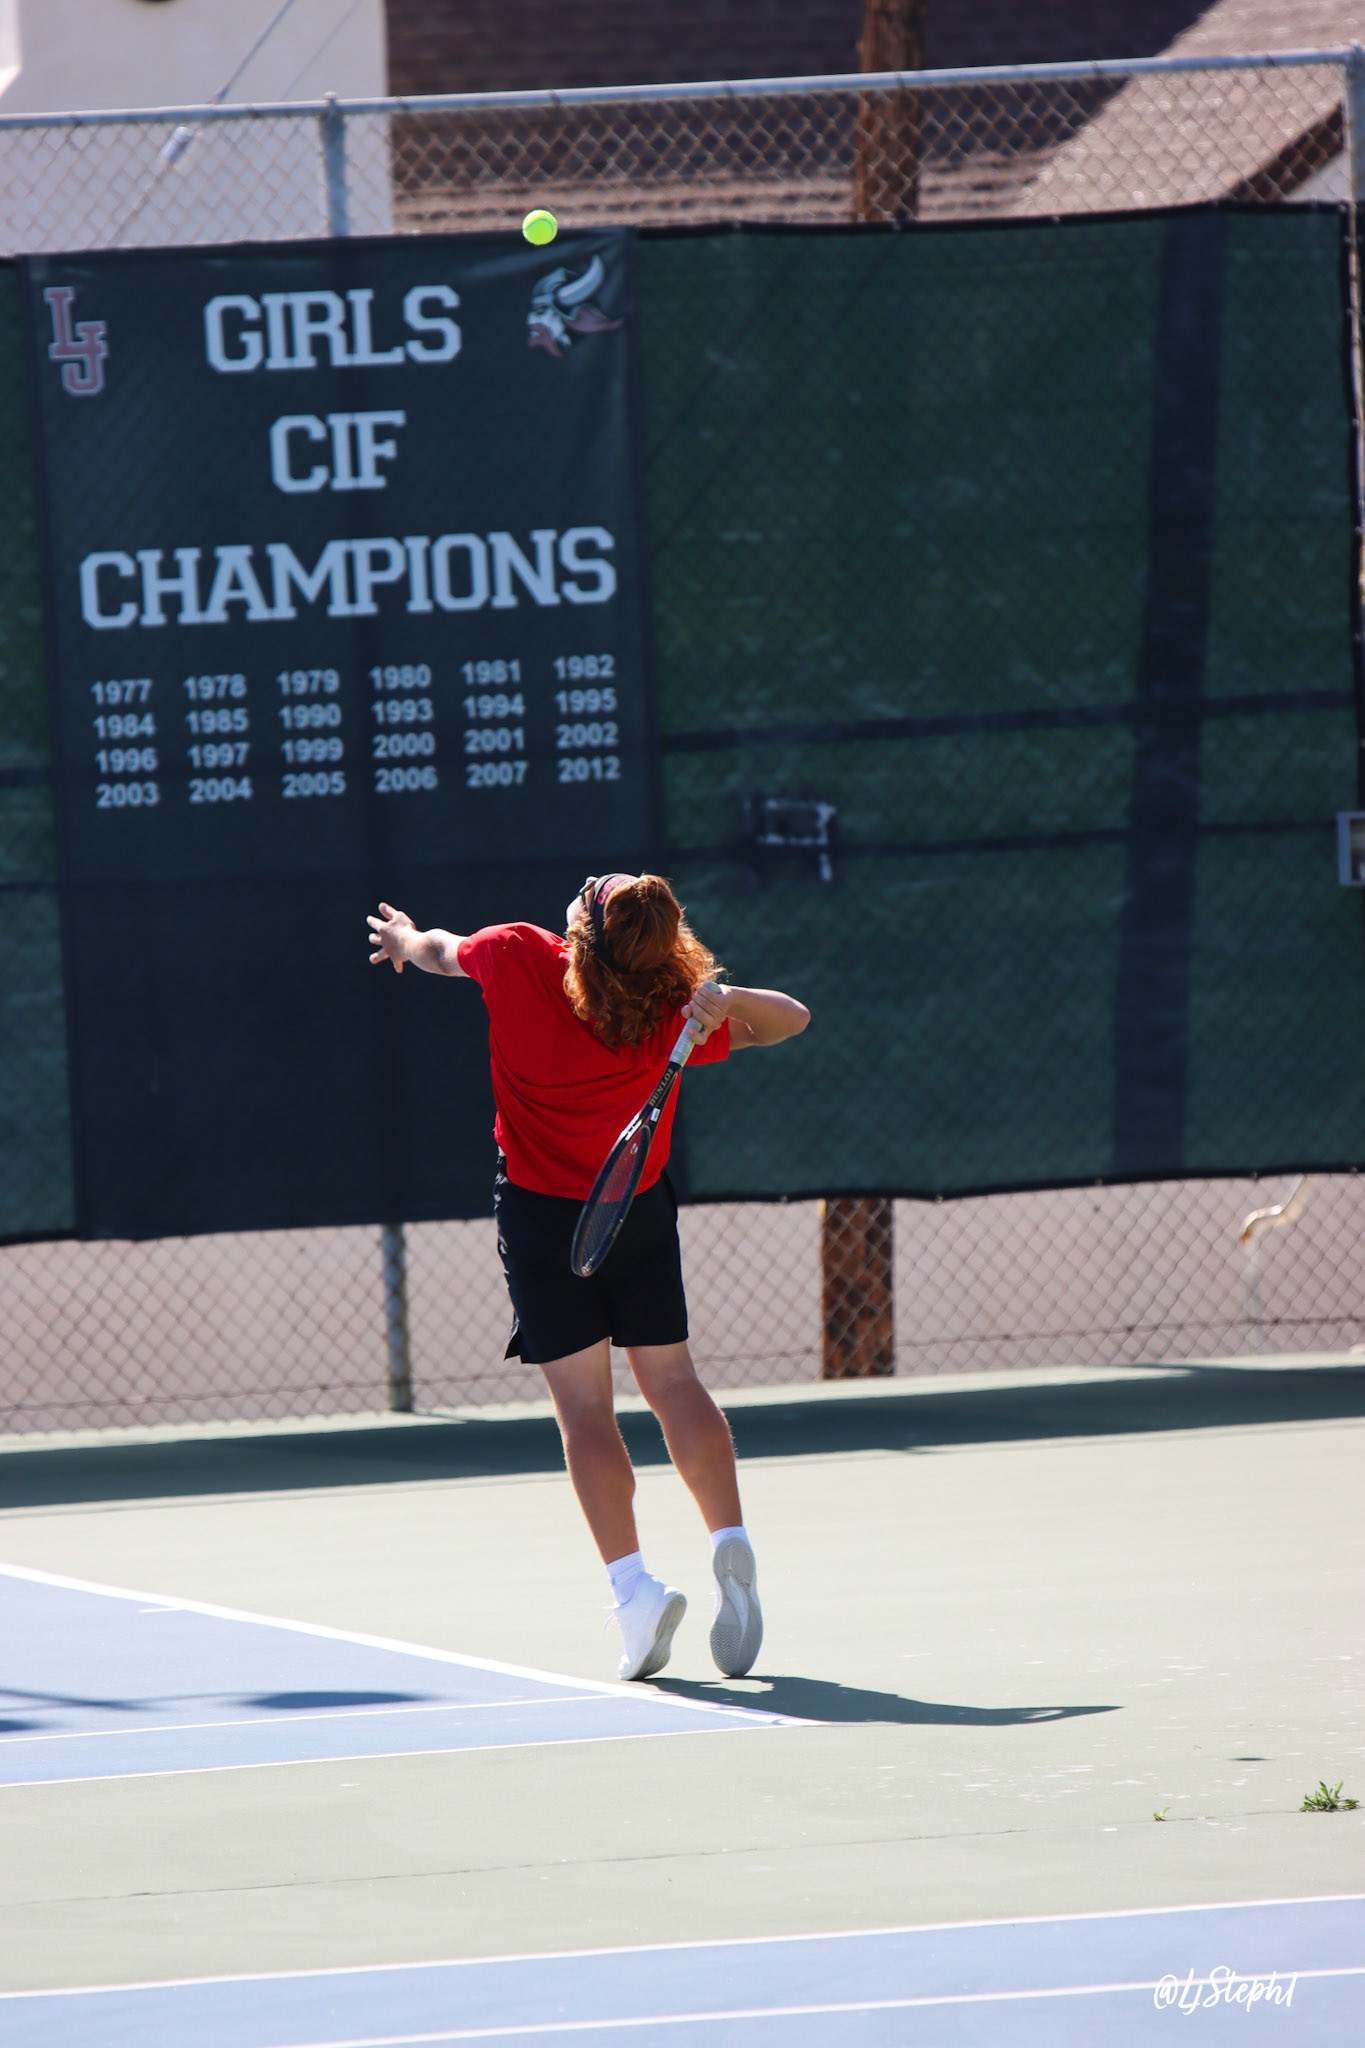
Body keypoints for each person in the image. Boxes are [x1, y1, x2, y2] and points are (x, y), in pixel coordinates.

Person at [367, 873, 809, 1682]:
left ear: (583, 932)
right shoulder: (671, 1009)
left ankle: (635, 1595)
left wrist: (402, 939)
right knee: (673, 1384)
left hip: (540, 1221)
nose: (581, 887)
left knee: (582, 1410)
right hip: (637, 1214)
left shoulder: (513, 954)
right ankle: (731, 1541)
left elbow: (436, 951)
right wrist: (723, 1000)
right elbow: (791, 1019)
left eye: (592, 892)